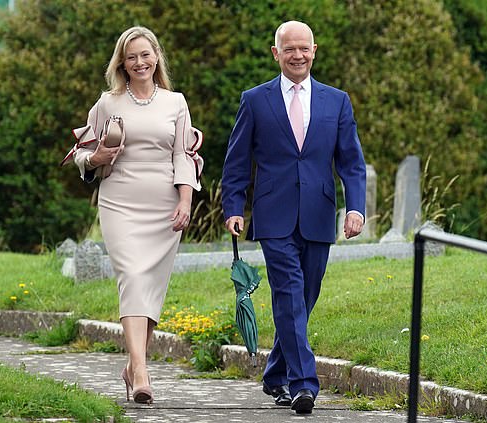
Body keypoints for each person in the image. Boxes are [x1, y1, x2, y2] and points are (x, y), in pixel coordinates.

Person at [221, 21, 366, 414]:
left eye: (304, 49)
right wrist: (234, 208)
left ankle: (274, 375)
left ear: (314, 50)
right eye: (289, 50)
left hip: (319, 213)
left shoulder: (337, 101)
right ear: (276, 53)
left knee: (304, 296)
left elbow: (351, 163)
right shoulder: (254, 100)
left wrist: (355, 208)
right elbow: (236, 163)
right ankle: (303, 384)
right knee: (287, 293)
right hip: (273, 215)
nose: (297, 56)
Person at [72, 26, 202, 404]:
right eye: (132, 57)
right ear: (122, 63)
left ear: (157, 56)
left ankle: (132, 367)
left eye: (146, 55)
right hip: (119, 203)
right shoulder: (108, 102)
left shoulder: (176, 102)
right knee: (131, 277)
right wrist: (95, 158)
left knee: (151, 288)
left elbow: (184, 154)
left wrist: (185, 201)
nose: (140, 62)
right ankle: (141, 371)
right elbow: (81, 152)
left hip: (164, 206)